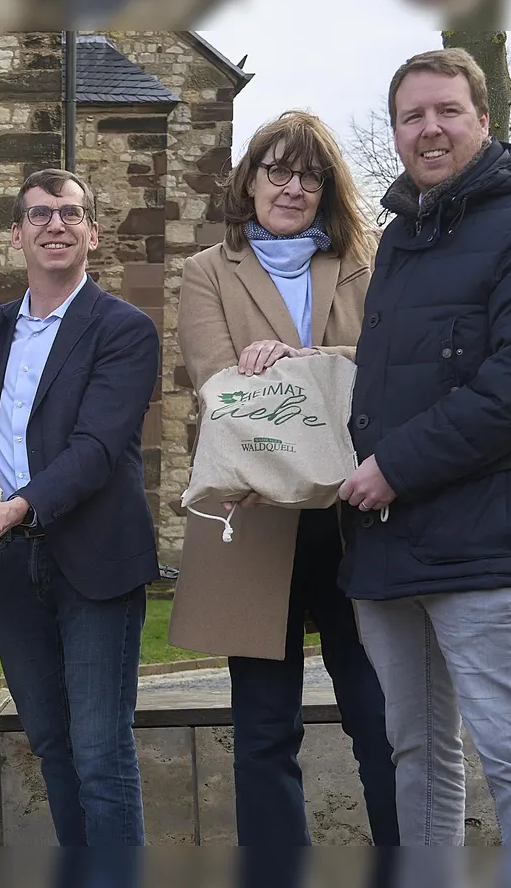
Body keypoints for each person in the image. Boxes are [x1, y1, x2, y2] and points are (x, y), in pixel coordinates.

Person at [338, 47, 511, 845]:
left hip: (486, 540)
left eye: (446, 112)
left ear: (483, 120)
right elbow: (392, 376)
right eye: (412, 117)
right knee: (416, 750)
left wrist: (395, 466)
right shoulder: (399, 236)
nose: (429, 130)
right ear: (396, 132)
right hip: (390, 543)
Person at [172, 111, 398, 847]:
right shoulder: (207, 270)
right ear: (251, 179)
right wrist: (324, 366)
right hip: (254, 513)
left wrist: (298, 361)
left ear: (326, 188)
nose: (293, 187)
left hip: (356, 513)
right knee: (265, 729)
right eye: (278, 170)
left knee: (380, 717)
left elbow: (391, 367)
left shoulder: (368, 262)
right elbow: (216, 379)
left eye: (310, 174)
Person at [0, 169, 160, 846]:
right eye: (39, 215)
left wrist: (16, 508)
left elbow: (96, 448)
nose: (55, 225)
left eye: (70, 214)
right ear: (16, 235)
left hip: (95, 562)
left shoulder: (125, 329)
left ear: (93, 232)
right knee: (54, 747)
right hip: (14, 568)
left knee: (100, 752)